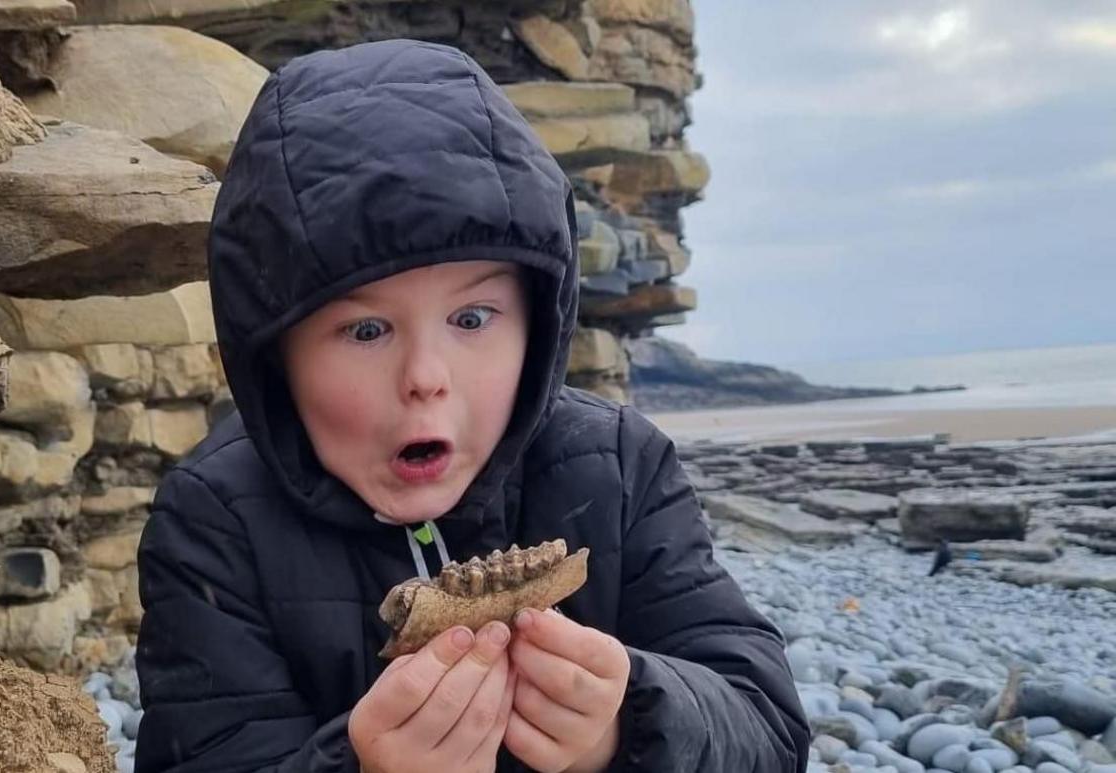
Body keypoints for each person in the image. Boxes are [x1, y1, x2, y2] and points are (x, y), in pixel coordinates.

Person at [133, 38, 810, 773]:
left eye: (473, 318)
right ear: (274, 352)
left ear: (537, 324)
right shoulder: (214, 523)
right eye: (366, 329)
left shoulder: (617, 468)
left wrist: (629, 721)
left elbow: (767, 727)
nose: (426, 377)